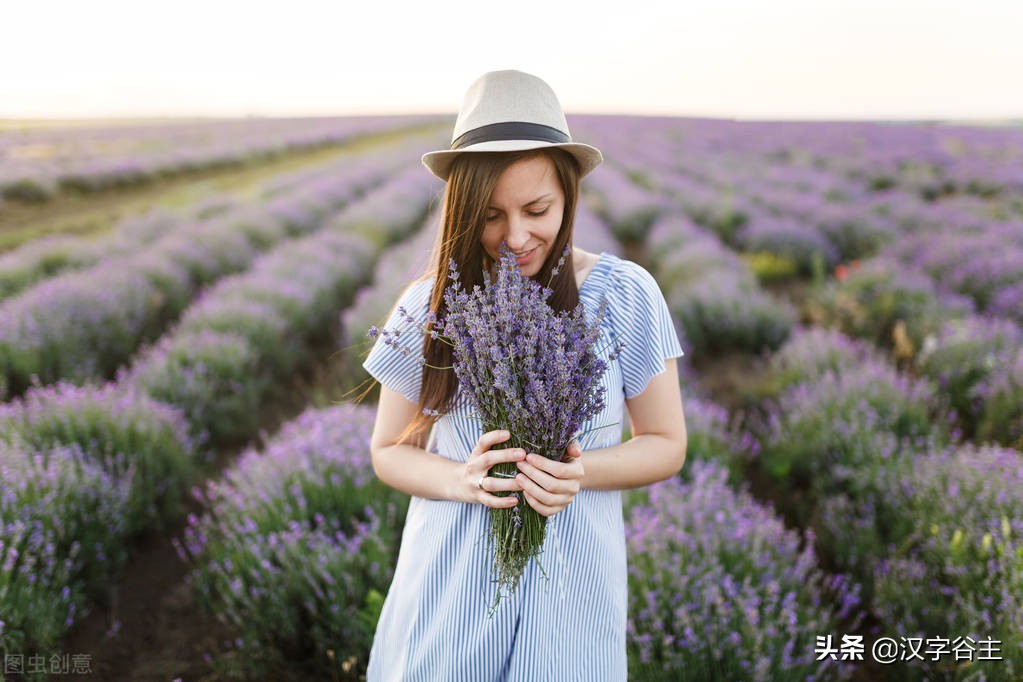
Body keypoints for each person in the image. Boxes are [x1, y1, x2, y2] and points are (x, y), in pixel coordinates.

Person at [362, 69, 687, 681]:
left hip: (573, 591)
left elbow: (667, 445)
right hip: (451, 588)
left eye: (537, 209)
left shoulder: (624, 295)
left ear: (568, 195)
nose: (516, 237)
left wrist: (577, 472)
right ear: (461, 212)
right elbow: (388, 452)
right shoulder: (433, 304)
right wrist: (463, 479)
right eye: (490, 216)